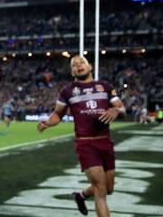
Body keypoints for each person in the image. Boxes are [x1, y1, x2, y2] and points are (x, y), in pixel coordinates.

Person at [37, 55, 125, 217]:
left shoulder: (105, 87)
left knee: (109, 188)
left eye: (81, 62)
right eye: (74, 65)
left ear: (90, 66)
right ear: (72, 71)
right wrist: (48, 122)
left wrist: (116, 110)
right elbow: (58, 114)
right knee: (100, 189)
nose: (78, 66)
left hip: (105, 142)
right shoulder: (68, 91)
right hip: (86, 144)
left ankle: (80, 196)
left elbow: (121, 108)